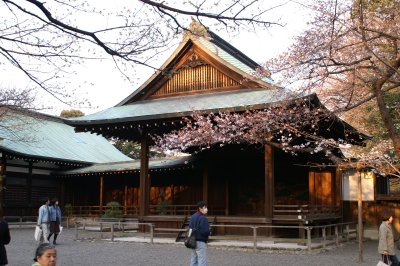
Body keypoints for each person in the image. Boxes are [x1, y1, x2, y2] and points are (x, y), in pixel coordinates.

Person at [189, 201, 211, 266]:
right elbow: (205, 231)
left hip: (192, 241)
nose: (206, 209)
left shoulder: (193, 216)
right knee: (202, 260)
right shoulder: (203, 218)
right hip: (201, 241)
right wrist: (209, 232)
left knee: (193, 260)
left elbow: (190, 228)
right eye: (205, 207)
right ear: (200, 208)